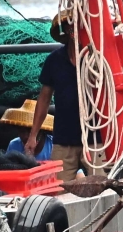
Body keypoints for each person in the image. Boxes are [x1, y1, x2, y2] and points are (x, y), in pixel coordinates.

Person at [26, 11, 86, 181]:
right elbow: (44, 99)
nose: (73, 28)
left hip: (97, 139)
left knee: (105, 187)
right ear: (65, 29)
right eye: (69, 24)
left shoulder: (97, 57)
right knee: (60, 189)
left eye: (78, 24)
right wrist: (33, 136)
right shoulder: (54, 60)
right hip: (64, 138)